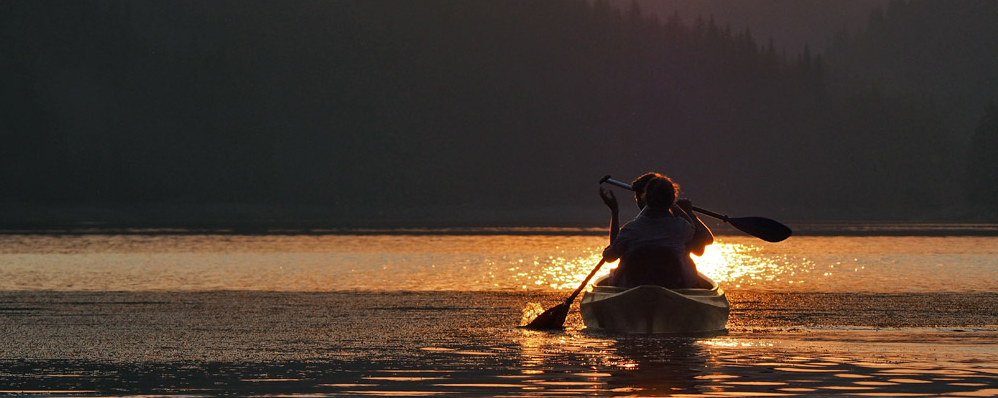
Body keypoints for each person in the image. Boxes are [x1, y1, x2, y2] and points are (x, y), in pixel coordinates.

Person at [599, 173, 714, 289]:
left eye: (638, 198)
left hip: (634, 287)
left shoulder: (630, 230)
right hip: (675, 287)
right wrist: (684, 210)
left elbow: (610, 257)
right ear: (671, 200)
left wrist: (614, 211)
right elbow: (699, 235)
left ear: (645, 199)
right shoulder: (682, 227)